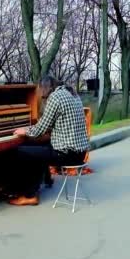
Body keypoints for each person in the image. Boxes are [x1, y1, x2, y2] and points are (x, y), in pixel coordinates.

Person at [10, 76, 89, 206]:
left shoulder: (55, 98)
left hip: (66, 155)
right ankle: (45, 180)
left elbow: (40, 129)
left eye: (40, 90)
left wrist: (24, 130)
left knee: (21, 151)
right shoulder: (72, 94)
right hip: (79, 154)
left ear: (45, 88)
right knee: (37, 147)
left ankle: (29, 195)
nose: (40, 95)